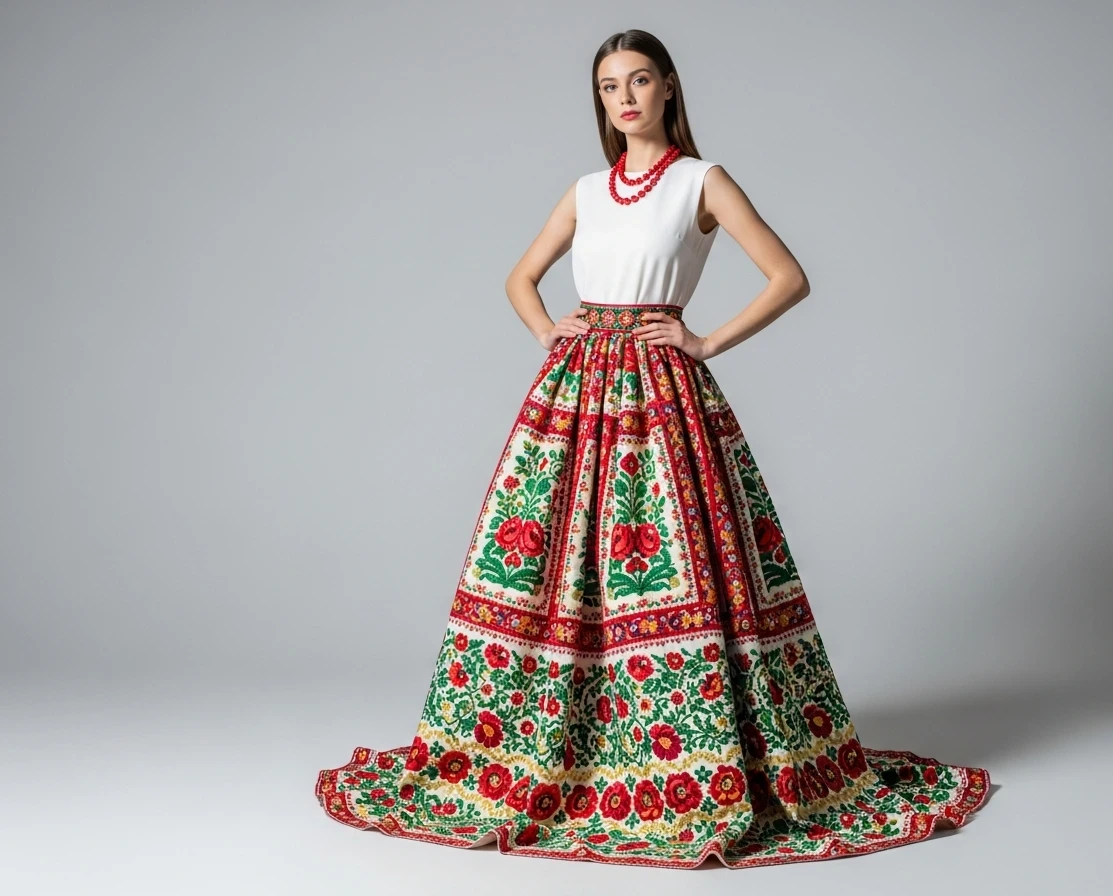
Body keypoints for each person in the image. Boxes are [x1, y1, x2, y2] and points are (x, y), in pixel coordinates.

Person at [315, 28, 991, 869]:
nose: (625, 97)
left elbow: (788, 276)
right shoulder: (587, 189)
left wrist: (704, 343)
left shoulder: (703, 182)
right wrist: (548, 330)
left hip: (662, 397)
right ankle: (571, 752)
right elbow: (519, 278)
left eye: (639, 80)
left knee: (675, 566)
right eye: (608, 86)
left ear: (669, 88)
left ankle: (690, 757)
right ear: (599, 100)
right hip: (574, 394)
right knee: (555, 569)